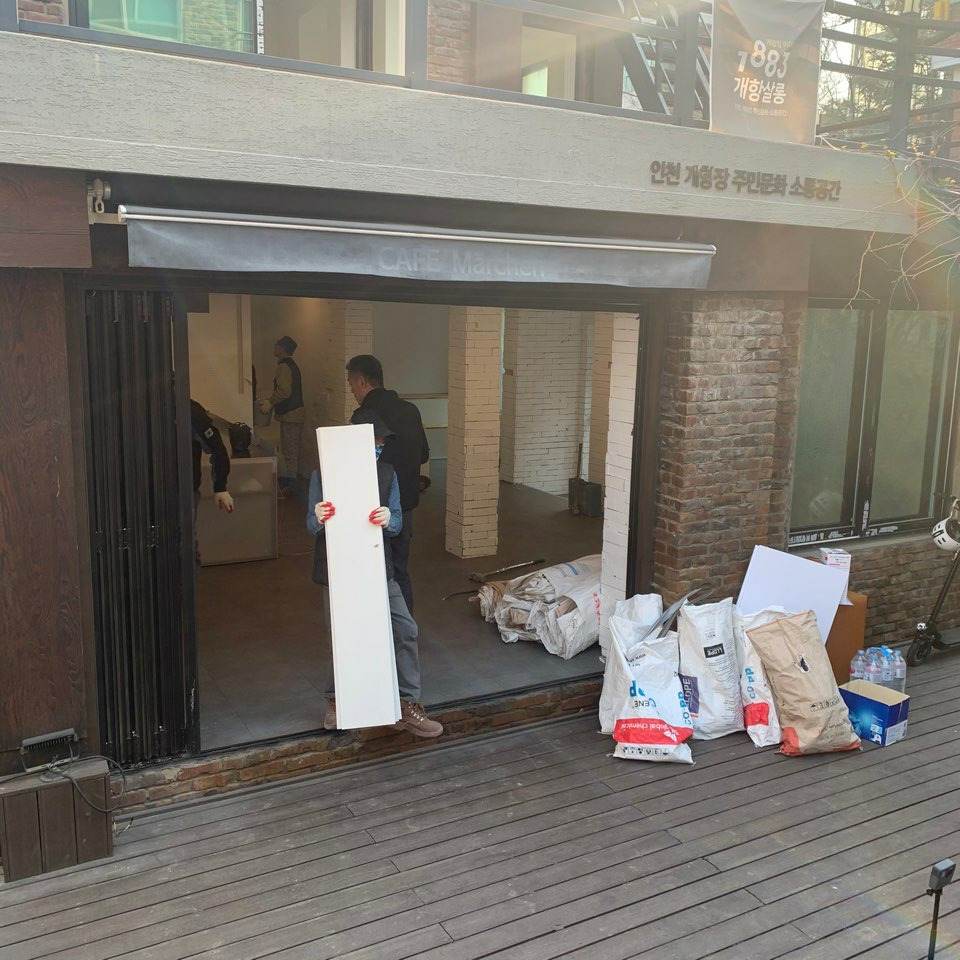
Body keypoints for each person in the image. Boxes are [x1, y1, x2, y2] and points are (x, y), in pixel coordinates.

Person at [306, 409, 443, 739]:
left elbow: (397, 523)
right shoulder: (324, 474)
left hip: (379, 567)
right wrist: (319, 516)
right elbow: (311, 525)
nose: (378, 450)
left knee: (405, 629)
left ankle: (407, 704)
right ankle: (336, 701)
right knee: (342, 635)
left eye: (381, 445)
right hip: (338, 570)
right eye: (373, 443)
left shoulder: (386, 474)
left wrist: (387, 519)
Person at [346, 354, 429, 613]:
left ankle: (377, 623)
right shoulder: (411, 410)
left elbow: (353, 465)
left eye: (351, 384)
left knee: (372, 569)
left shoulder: (363, 416)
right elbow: (424, 455)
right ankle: (405, 624)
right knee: (400, 568)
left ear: (361, 381)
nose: (352, 391)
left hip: (374, 509)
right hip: (406, 505)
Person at [260, 335, 305, 490]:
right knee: (289, 450)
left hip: (292, 414)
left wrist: (270, 402)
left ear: (282, 349)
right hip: (292, 414)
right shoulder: (288, 365)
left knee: (290, 451)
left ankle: (292, 486)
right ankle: (290, 482)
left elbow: (284, 391)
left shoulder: (284, 367)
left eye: (277, 345)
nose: (274, 347)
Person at [191, 400, 234, 562]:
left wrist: (220, 487)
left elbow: (217, 448)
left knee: (184, 543)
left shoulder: (188, 410)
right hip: (145, 490)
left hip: (182, 490)